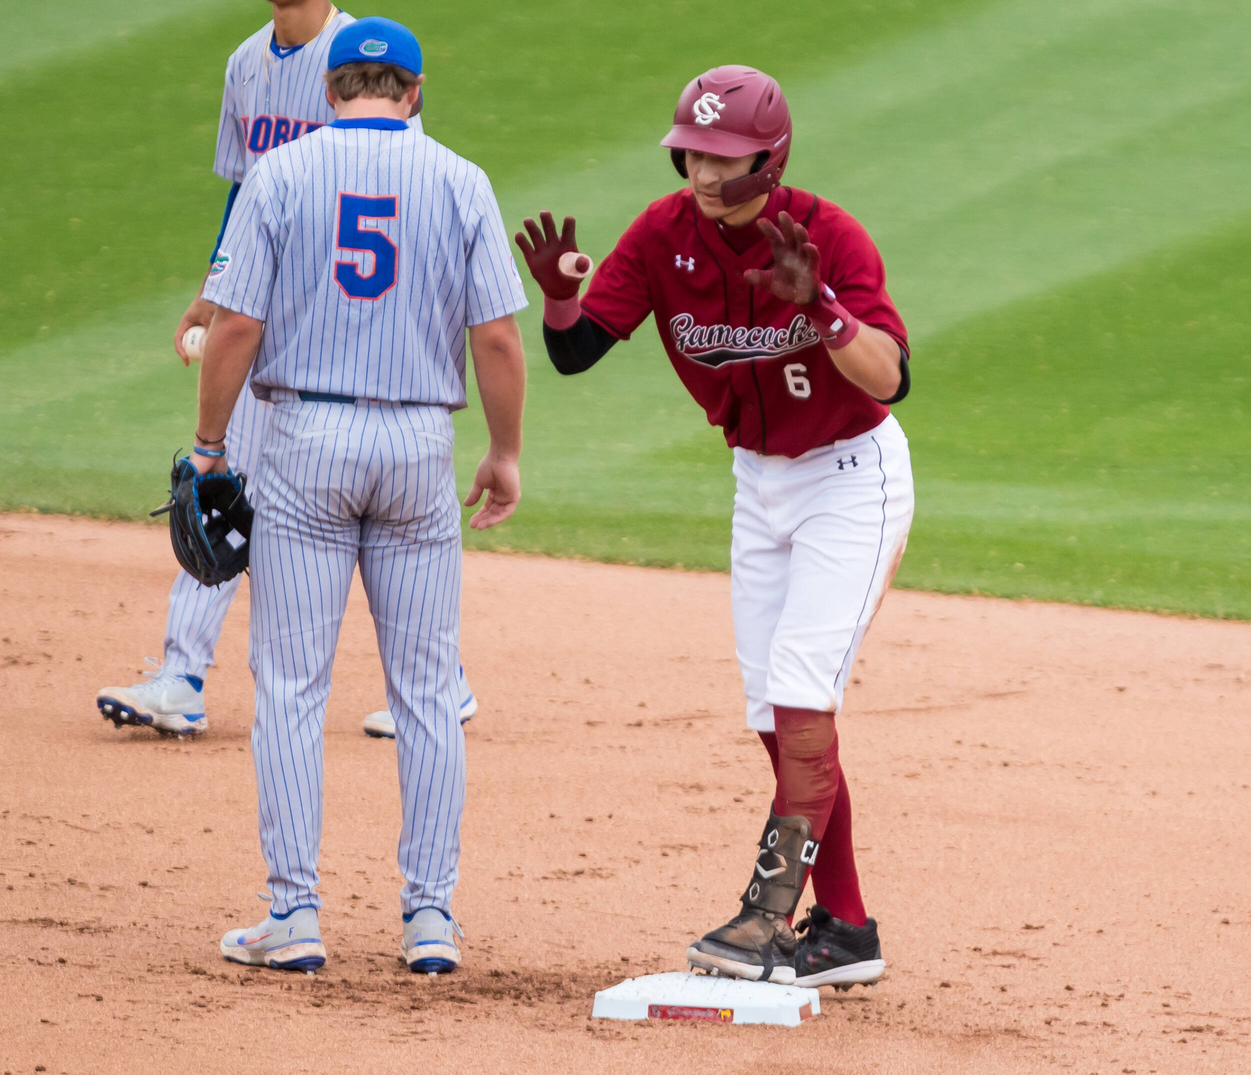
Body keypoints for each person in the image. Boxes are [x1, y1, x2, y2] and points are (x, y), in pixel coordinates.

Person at [516, 65, 913, 988]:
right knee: (774, 713)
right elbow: (577, 353)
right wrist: (560, 299)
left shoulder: (829, 237)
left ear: (769, 158)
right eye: (692, 152)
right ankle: (847, 930)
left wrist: (821, 306)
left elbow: (889, 375)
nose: (701, 171)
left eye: (723, 157)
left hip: (850, 481)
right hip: (758, 484)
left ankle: (771, 915)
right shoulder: (663, 235)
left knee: (805, 693)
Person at [194, 17, 527, 973]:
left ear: (330, 90)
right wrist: (503, 450)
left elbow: (233, 326)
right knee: (425, 690)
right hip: (420, 445)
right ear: (413, 92)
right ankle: (431, 919)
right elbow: (499, 340)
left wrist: (212, 447)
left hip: (304, 442)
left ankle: (293, 914)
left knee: (292, 688)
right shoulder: (461, 179)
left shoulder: (283, 176)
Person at [92, 0, 478, 736]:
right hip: (264, 302)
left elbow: (399, 177)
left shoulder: (362, 56)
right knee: (224, 482)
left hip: (339, 317)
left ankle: (444, 676)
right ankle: (181, 673)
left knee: (329, 501)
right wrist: (216, 290)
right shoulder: (246, 65)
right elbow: (243, 191)